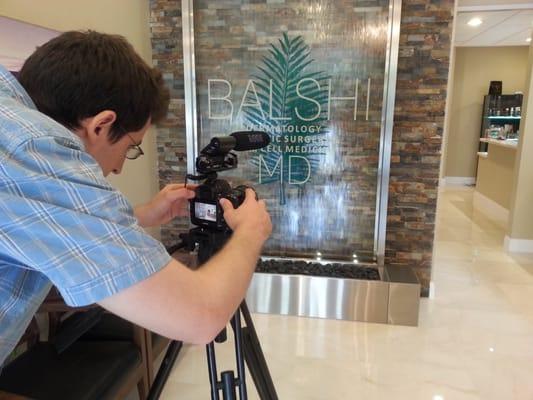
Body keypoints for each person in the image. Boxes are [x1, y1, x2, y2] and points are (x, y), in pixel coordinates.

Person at [0, 30, 272, 367]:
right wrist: (251, 232)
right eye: (131, 147)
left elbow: (33, 218)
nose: (115, 170)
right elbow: (201, 317)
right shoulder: (35, 150)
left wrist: (140, 214)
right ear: (101, 125)